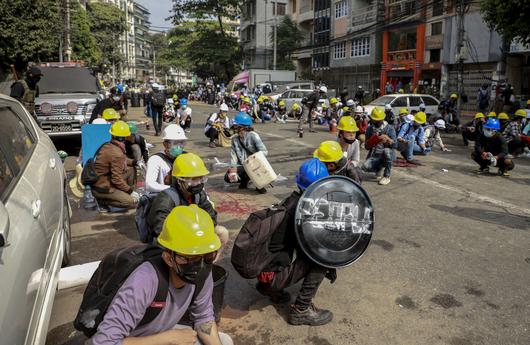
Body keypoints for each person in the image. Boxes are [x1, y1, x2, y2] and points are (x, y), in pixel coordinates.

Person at [86, 205, 233, 345]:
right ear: (169, 258)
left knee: (223, 341)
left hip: (159, 333)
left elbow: (203, 318)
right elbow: (103, 342)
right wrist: (166, 339)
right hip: (131, 339)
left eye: (207, 256)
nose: (200, 265)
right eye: (189, 258)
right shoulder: (144, 281)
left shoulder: (202, 273)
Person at [256, 158, 334, 326]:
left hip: (263, 272)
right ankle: (301, 310)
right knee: (322, 259)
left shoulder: (291, 201)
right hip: (270, 276)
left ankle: (270, 289)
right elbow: (312, 248)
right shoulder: (302, 212)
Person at [147, 153, 229, 252]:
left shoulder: (198, 195)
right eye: (194, 179)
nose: (199, 183)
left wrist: (201, 232)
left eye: (201, 178)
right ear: (179, 180)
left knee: (222, 233)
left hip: (194, 234)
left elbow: (211, 216)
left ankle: (207, 263)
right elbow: (160, 228)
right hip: (174, 240)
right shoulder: (166, 199)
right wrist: (188, 234)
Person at [92, 121, 140, 210]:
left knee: (131, 169)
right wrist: (130, 191)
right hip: (103, 188)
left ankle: (123, 193)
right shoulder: (117, 153)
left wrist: (134, 162)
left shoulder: (109, 145)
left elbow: (123, 160)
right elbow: (116, 179)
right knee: (131, 203)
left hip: (100, 182)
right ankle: (103, 201)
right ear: (124, 137)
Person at [225, 112, 268, 193]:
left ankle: (259, 183)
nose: (234, 129)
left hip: (255, 165)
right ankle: (244, 180)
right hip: (243, 165)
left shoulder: (253, 136)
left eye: (236, 127)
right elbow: (233, 156)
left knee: (260, 186)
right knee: (227, 177)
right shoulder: (235, 140)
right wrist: (233, 169)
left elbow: (264, 152)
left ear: (242, 127)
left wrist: (253, 159)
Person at [146, 125, 188, 193]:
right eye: (175, 143)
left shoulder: (187, 157)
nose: (179, 147)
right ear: (165, 144)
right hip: (164, 198)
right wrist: (174, 190)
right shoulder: (156, 160)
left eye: (182, 142)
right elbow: (149, 185)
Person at [362, 107, 397, 186]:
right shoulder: (370, 129)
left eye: (378, 120)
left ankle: (386, 176)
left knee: (386, 151)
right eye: (374, 120)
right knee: (365, 167)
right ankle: (379, 168)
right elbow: (367, 147)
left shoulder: (389, 128)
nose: (376, 122)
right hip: (375, 155)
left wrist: (388, 139)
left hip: (387, 155)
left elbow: (395, 145)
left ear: (382, 119)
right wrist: (374, 139)